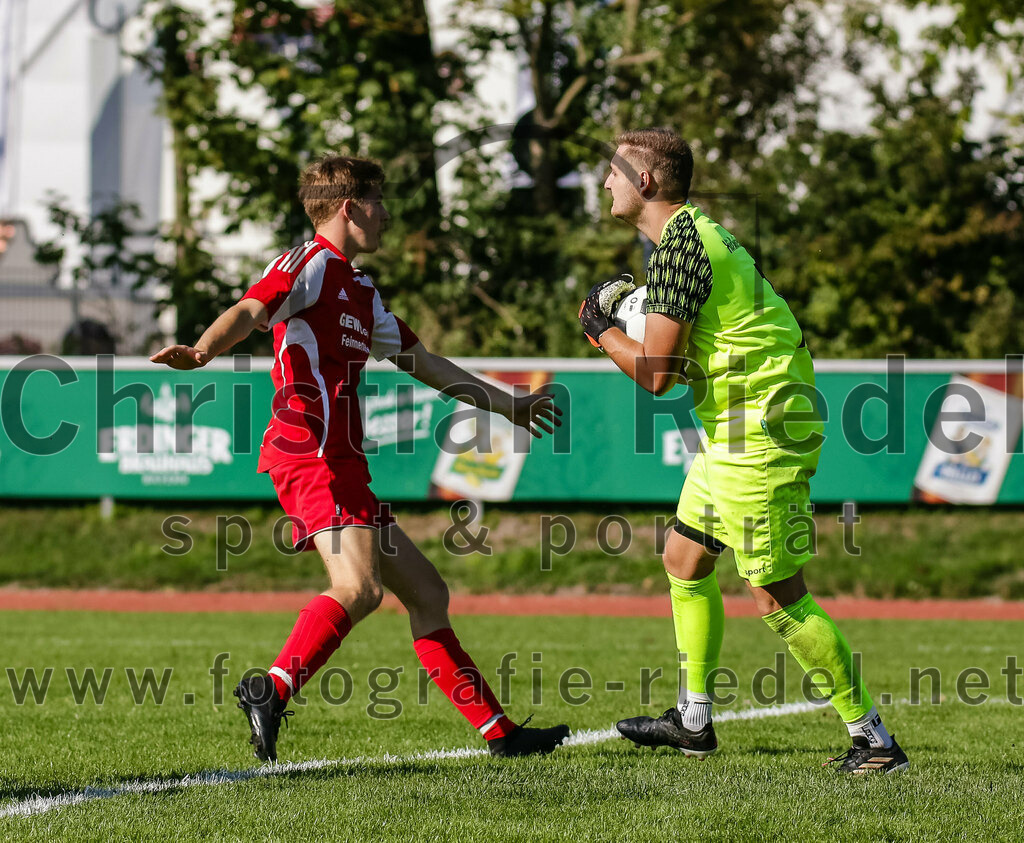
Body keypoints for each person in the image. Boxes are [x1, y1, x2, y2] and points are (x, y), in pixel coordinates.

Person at [152, 154, 569, 762]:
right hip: (310, 450)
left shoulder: (360, 290)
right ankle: (269, 688)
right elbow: (250, 308)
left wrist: (508, 406)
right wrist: (203, 349)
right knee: (360, 588)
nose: (387, 213)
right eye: (378, 201)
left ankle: (501, 737)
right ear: (349, 207)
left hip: (342, 459)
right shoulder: (311, 263)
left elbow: (425, 365)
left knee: (427, 594)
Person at [578, 128, 908, 774]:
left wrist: (599, 328)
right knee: (684, 555)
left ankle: (875, 740)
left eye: (613, 172)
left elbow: (657, 375)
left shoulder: (679, 248)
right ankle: (694, 719)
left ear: (645, 181)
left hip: (760, 426)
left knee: (777, 595)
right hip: (741, 420)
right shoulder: (692, 234)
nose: (605, 182)